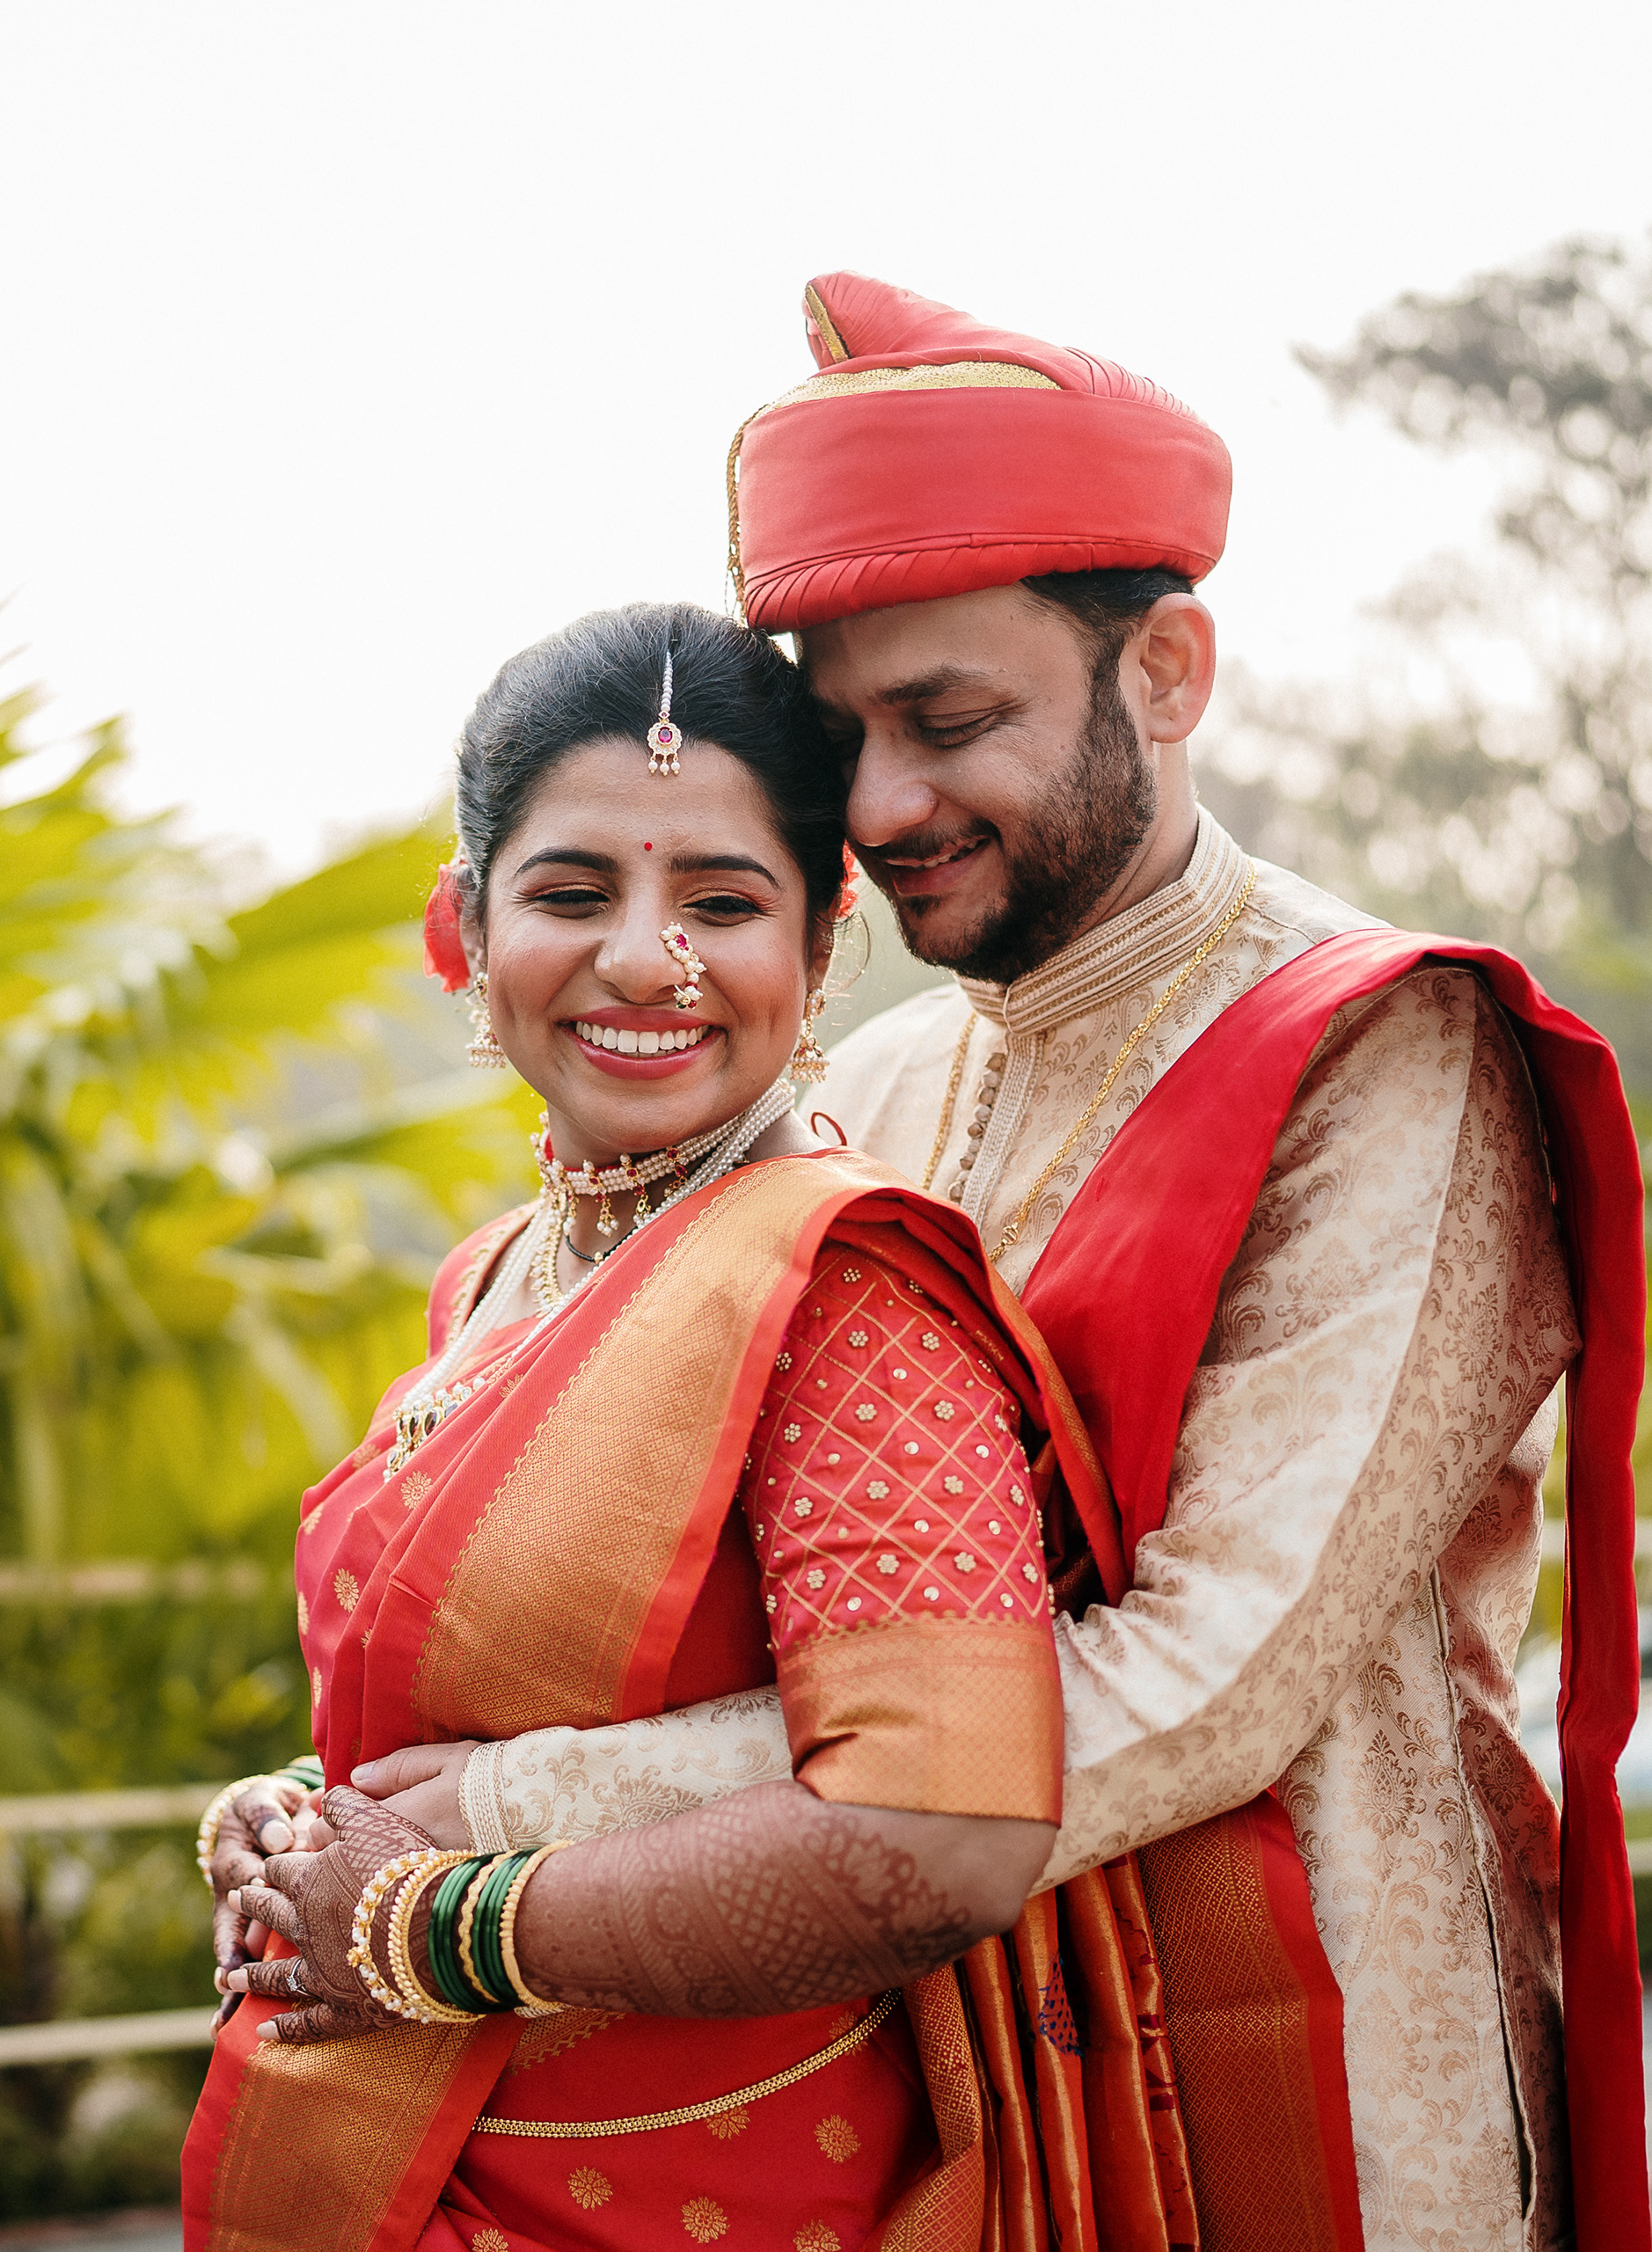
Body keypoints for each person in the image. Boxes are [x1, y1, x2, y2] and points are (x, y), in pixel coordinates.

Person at [209, 277, 1651, 2252]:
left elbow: (1211, 1676)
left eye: (952, 723)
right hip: (965, 2084)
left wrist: (478, 1829)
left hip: (1324, 2060)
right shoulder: (874, 1082)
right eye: (845, 740)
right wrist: (354, 1812)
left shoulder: (1380, 1054)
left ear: (1167, 669)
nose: (883, 807)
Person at [183, 602, 1217, 2252]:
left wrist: (437, 1926)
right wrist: (311, 1820)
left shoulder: (844, 1293)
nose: (646, 959)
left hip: (704, 2191)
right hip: (399, 2158)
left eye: (723, 903)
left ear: (820, 945)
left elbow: (940, 1831)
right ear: (466, 927)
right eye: (571, 893)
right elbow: (488, 1706)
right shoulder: (493, 1279)